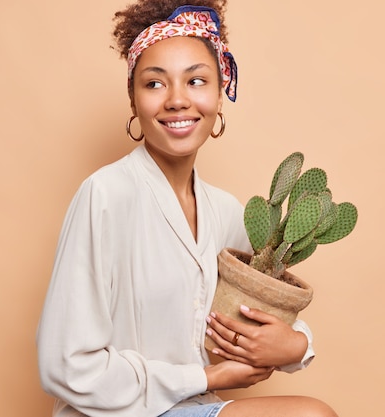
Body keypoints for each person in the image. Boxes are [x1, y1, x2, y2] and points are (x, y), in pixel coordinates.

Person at [36, 1, 338, 416]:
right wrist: (207, 378)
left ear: (219, 94)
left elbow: (262, 304)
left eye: (196, 81)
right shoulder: (105, 195)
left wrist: (297, 344)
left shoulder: (227, 212)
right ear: (133, 100)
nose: (177, 100)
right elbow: (63, 365)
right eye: (155, 84)